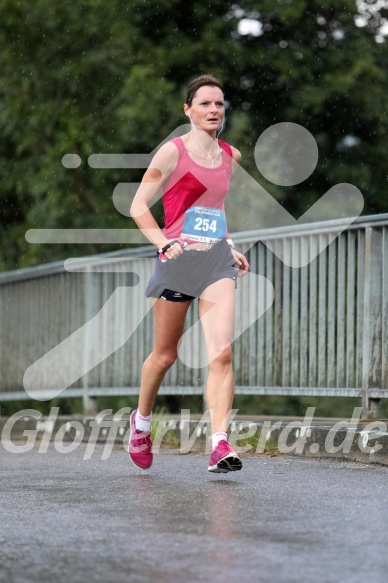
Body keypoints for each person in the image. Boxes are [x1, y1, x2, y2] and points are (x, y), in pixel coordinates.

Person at [128, 74, 250, 473]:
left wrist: (229, 244)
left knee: (222, 352)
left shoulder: (230, 156)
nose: (214, 110)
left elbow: (215, 210)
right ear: (188, 110)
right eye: (205, 104)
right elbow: (138, 207)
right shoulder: (172, 153)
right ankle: (141, 423)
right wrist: (163, 243)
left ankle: (219, 443)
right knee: (164, 356)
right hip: (178, 259)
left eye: (219, 104)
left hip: (215, 260)